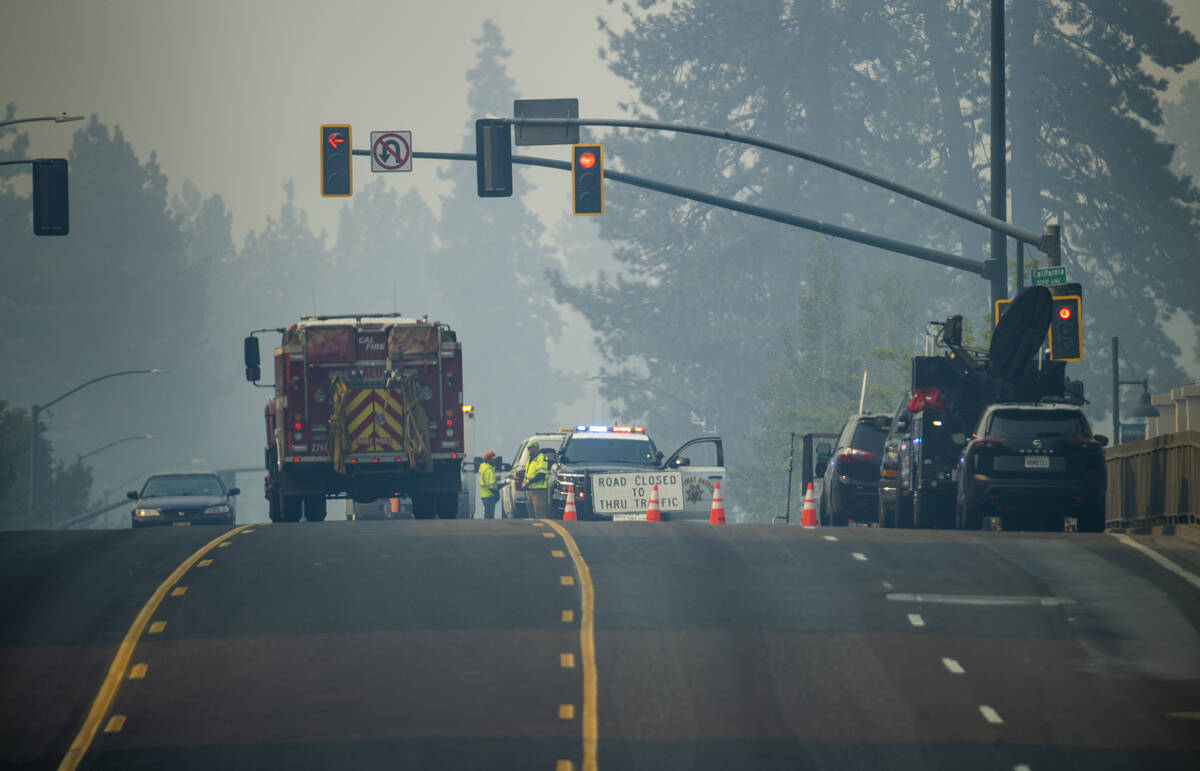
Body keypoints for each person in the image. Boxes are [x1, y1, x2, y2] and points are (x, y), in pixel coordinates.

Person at [523, 440, 550, 519]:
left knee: (539, 513)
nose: (528, 450)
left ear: (536, 447)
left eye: (530, 448)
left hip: (538, 491)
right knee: (531, 514)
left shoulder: (541, 458)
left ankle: (542, 530)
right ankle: (533, 530)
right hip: (530, 490)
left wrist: (529, 482)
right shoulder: (530, 460)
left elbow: (541, 474)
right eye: (528, 448)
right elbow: (529, 475)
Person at [479, 450, 499, 519]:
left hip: (485, 496)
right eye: (493, 459)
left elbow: (488, 482)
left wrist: (496, 479)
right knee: (489, 518)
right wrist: (497, 494)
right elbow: (492, 486)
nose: (494, 461)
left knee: (487, 516)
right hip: (489, 497)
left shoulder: (483, 468)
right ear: (487, 460)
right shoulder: (488, 470)